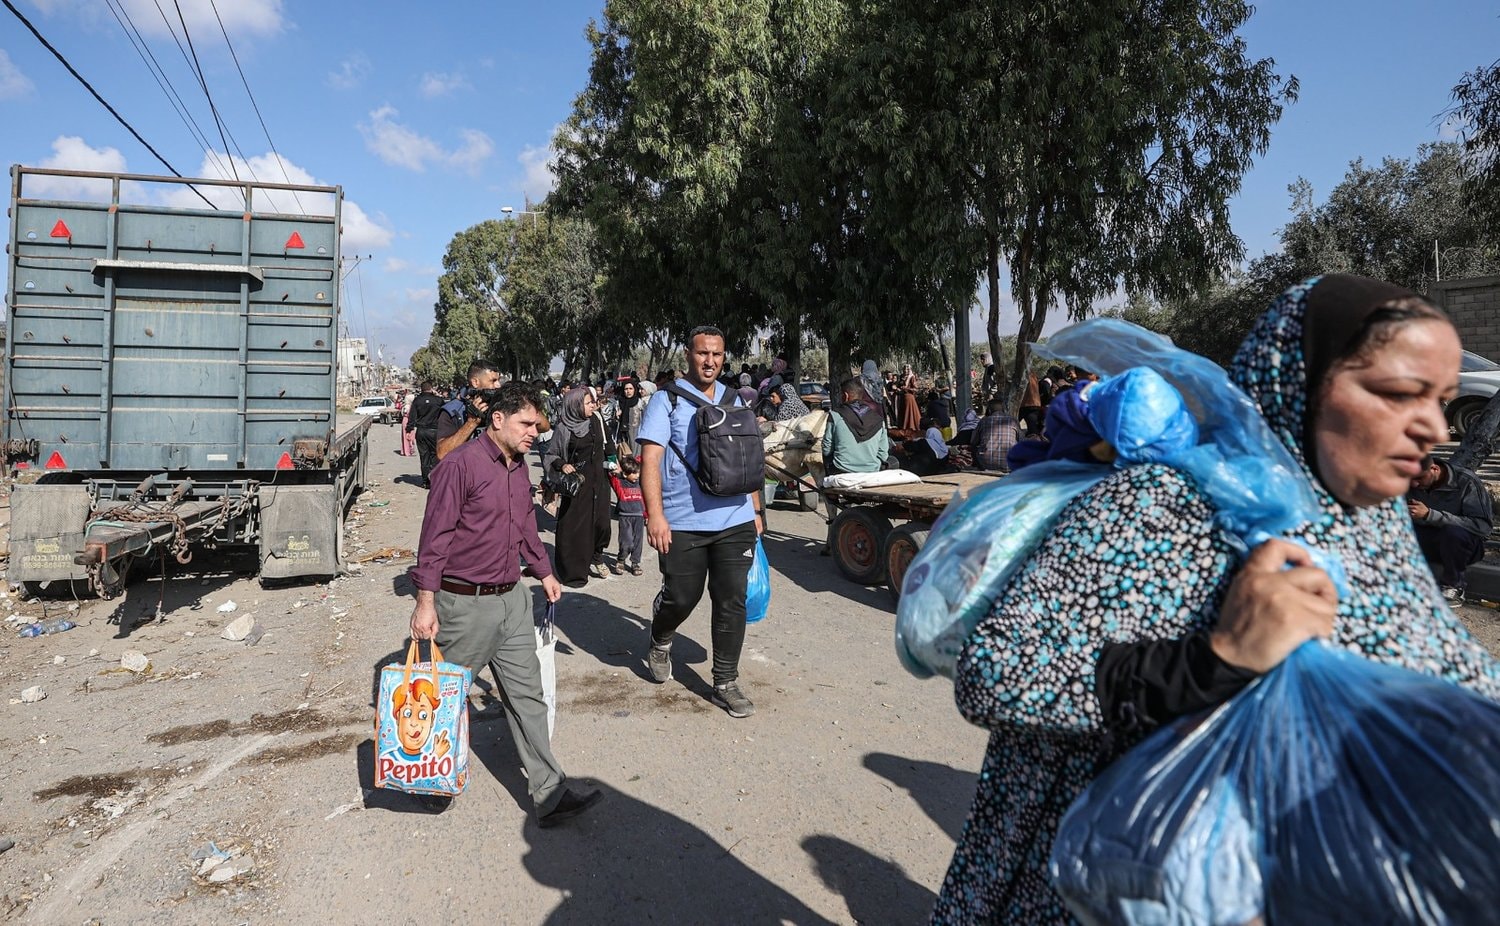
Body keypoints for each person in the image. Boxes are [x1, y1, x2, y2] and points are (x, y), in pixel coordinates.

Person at [933, 274, 1500, 924]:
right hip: (1118, 887)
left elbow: (1451, 675)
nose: (1432, 427)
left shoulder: (1379, 528)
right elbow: (995, 674)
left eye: (1443, 400)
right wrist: (1216, 659)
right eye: (1399, 393)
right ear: (1302, 384)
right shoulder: (1162, 506)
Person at [408, 382, 601, 827]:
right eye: (526, 423)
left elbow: (526, 529)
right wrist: (425, 603)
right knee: (445, 699)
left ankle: (549, 794)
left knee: (527, 697)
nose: (535, 431)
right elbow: (433, 541)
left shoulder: (518, 468)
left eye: (538, 424)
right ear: (498, 419)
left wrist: (545, 571)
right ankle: (429, 778)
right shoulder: (460, 467)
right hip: (464, 605)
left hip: (513, 600)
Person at [637, 325, 765, 719]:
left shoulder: (736, 399)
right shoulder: (667, 401)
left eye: (717, 354)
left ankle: (725, 681)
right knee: (683, 597)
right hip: (682, 522)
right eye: (702, 353)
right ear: (688, 356)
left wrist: (756, 509)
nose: (710, 361)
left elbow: (749, 459)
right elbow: (650, 461)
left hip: (734, 518)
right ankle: (661, 636)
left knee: (731, 600)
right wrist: (655, 515)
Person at [545, 387, 614, 584]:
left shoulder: (595, 420)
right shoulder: (564, 428)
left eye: (593, 401)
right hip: (577, 486)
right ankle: (573, 571)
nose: (593, 405)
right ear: (575, 405)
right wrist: (562, 465)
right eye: (588, 402)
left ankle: (596, 555)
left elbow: (607, 443)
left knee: (602, 524)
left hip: (599, 482)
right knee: (575, 528)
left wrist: (613, 461)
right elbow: (552, 455)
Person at [1409, 455, 1493, 600]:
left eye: (1419, 479)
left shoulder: (1466, 482)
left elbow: (1483, 527)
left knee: (1453, 533)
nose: (1414, 485)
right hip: (1426, 541)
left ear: (1434, 469)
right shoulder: (1407, 482)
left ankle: (1454, 586)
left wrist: (1430, 515)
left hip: (1461, 546)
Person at [435, 360, 503, 463]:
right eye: (493, 381)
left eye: (498, 380)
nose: (498, 385)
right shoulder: (453, 411)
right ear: (475, 382)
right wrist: (471, 422)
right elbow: (442, 454)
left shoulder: (501, 406)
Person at [821, 378, 889, 477]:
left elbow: (826, 450)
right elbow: (883, 455)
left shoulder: (835, 415)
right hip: (872, 472)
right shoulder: (878, 419)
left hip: (841, 472)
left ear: (845, 395)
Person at [610, 454, 647, 576]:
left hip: (638, 516)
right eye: (634, 473)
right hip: (625, 516)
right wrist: (615, 469)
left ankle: (635, 563)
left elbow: (642, 459)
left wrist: (646, 515)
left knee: (638, 541)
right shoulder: (620, 483)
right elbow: (611, 476)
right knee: (626, 541)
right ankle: (621, 559)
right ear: (625, 474)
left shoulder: (639, 483)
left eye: (638, 473)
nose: (637, 475)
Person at [406, 381, 445, 487]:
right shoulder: (438, 400)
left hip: (421, 432)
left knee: (424, 457)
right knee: (435, 456)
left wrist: (409, 430)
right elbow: (444, 413)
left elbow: (412, 416)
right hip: (434, 431)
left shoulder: (417, 400)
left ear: (421, 389)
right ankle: (435, 479)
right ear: (431, 388)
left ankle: (425, 482)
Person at [972, 398, 1021, 472]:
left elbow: (973, 442)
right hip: (1010, 464)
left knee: (974, 448)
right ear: (1004, 409)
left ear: (989, 410)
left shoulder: (983, 421)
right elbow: (1021, 440)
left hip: (986, 465)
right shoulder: (1013, 420)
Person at [897, 364, 922, 431]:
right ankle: (902, 428)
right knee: (903, 413)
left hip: (909, 398)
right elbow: (899, 385)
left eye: (907, 369)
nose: (905, 370)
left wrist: (907, 389)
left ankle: (911, 427)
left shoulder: (911, 377)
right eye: (904, 368)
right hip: (902, 397)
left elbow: (916, 389)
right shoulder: (901, 376)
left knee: (909, 413)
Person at [1019, 371, 1044, 435]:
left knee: (1012, 421)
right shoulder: (1033, 375)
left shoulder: (1023, 375)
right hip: (1035, 403)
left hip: (1025, 403)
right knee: (1032, 426)